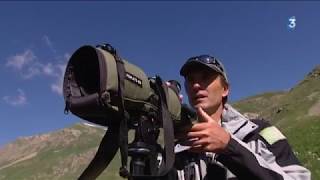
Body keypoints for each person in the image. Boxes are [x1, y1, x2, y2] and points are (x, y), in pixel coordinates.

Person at [174, 55, 311, 180]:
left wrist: (230, 147)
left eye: (205, 77)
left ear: (225, 89)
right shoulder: (179, 146)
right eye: (190, 80)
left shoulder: (260, 132)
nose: (196, 86)